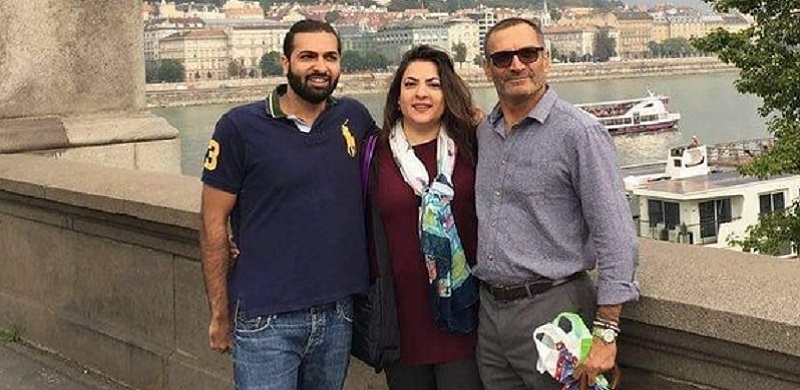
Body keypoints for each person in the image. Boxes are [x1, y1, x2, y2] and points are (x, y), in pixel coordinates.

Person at [199, 19, 376, 390]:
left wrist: (471, 123)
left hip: (337, 312)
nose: (320, 67)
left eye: (330, 57)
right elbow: (212, 223)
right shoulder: (238, 127)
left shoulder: (354, 118)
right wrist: (219, 312)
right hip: (267, 316)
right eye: (307, 56)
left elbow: (408, 142)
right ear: (285, 63)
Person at [473, 18, 639, 389]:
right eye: (503, 58)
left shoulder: (580, 133)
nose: (517, 65)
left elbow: (616, 236)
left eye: (528, 53)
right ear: (487, 68)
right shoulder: (485, 132)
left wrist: (606, 332)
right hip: (491, 315)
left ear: (545, 59)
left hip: (555, 309)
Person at [364, 45, 483, 390]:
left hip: (466, 315)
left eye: (433, 84)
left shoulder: (474, 145)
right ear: (397, 96)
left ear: (448, 93)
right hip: (400, 320)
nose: (421, 93)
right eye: (410, 84)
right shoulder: (374, 154)